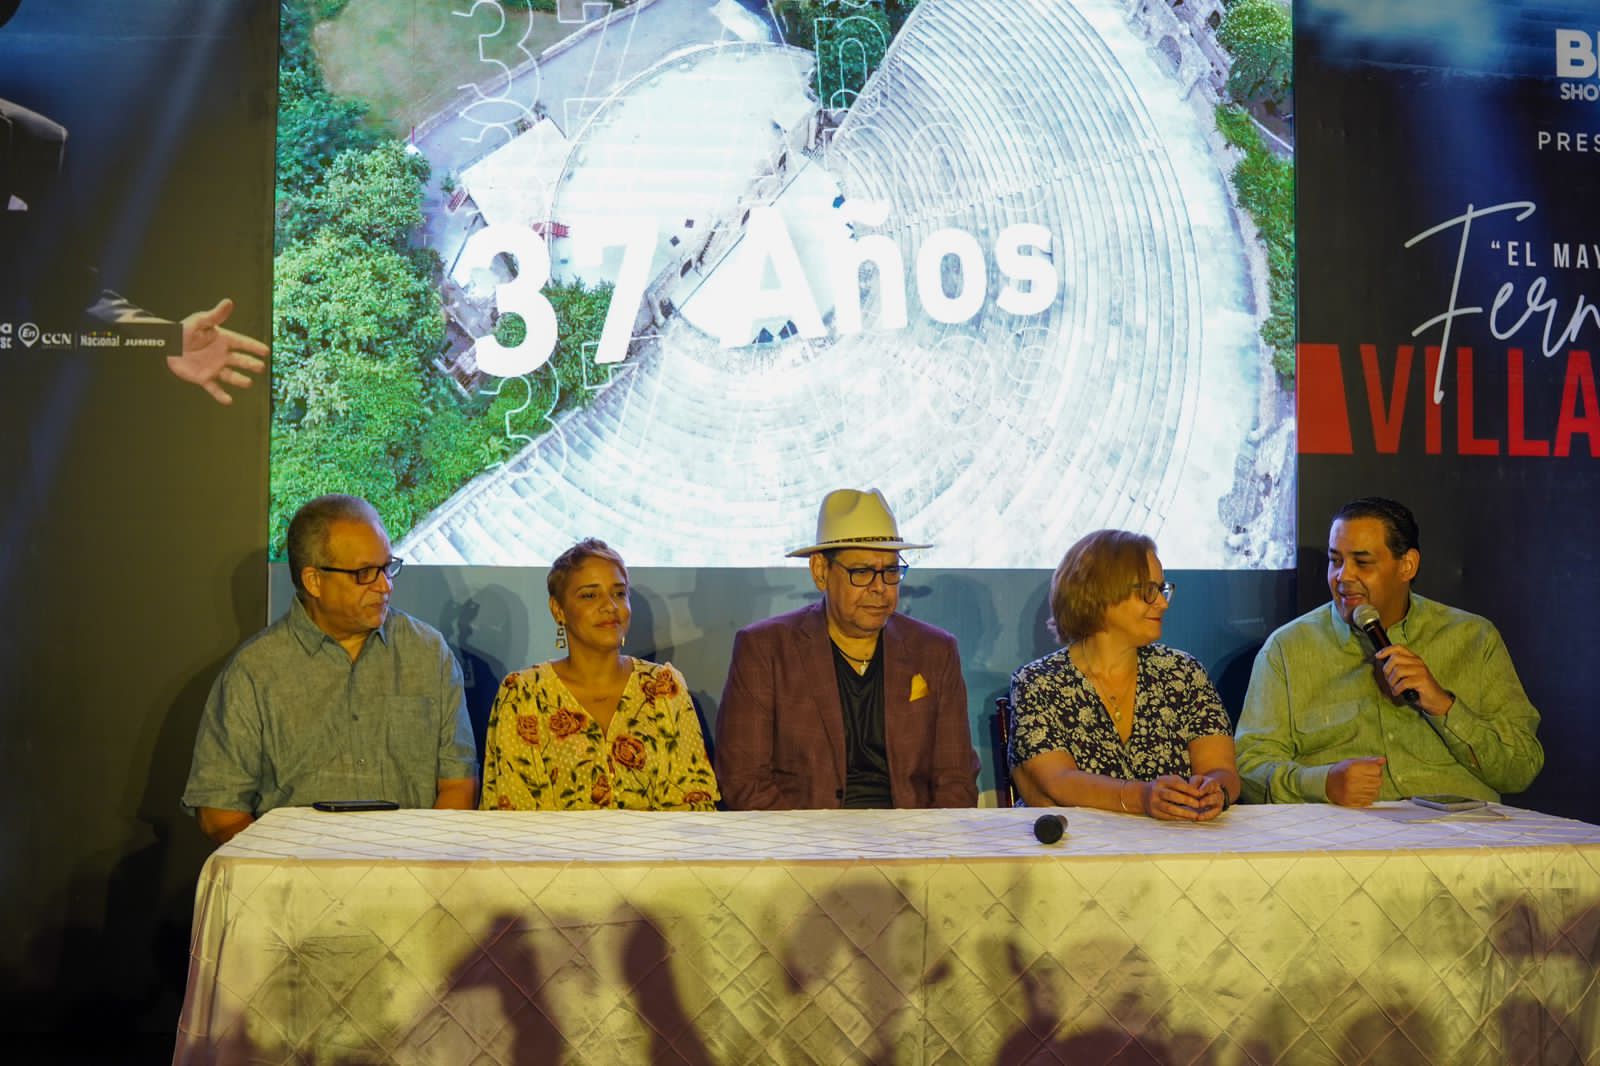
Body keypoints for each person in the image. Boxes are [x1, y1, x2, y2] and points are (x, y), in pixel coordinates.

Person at [182, 495, 478, 843]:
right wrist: (289, 866)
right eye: (365, 574)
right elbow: (219, 811)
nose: (385, 586)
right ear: (314, 581)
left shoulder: (428, 653)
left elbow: (459, 784)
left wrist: (419, 861)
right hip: (291, 872)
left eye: (387, 568)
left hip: (412, 867)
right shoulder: (254, 672)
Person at [1235, 497, 1543, 806]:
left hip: (1464, 832)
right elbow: (1250, 768)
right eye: (1335, 561)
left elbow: (1522, 768)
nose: (1343, 576)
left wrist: (1443, 705)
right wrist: (1322, 783)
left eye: (1362, 562)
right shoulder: (1288, 648)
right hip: (1349, 832)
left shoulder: (1474, 638)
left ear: (1407, 565)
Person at [715, 488, 978, 810]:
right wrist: (812, 838)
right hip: (803, 832)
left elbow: (956, 780)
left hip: (911, 833)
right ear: (820, 572)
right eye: (862, 572)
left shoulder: (935, 651)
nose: (879, 588)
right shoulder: (765, 650)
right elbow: (744, 782)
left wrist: (925, 837)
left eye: (890, 572)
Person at [1008, 530, 1239, 820]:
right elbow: (1058, 782)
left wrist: (1215, 791)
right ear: (1101, 594)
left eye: (1162, 589)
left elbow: (1222, 771)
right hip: (1079, 844)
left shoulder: (1184, 673)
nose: (1163, 603)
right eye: (1149, 591)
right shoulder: (1037, 683)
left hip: (1178, 842)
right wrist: (1143, 797)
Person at [479, 538, 719, 811]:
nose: (610, 606)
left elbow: (693, 804)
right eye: (590, 595)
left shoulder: (663, 687)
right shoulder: (524, 693)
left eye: (619, 593)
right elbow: (515, 814)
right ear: (558, 610)